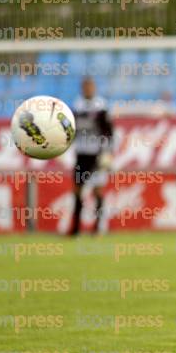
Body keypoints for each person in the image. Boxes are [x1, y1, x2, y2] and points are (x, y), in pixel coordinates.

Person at [70, 77, 114, 235]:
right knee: (77, 190)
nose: (88, 89)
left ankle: (98, 227)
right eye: (85, 86)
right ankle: (75, 229)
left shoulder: (101, 106)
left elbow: (108, 132)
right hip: (81, 154)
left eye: (90, 86)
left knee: (98, 191)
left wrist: (108, 154)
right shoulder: (76, 105)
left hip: (97, 153)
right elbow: (70, 131)